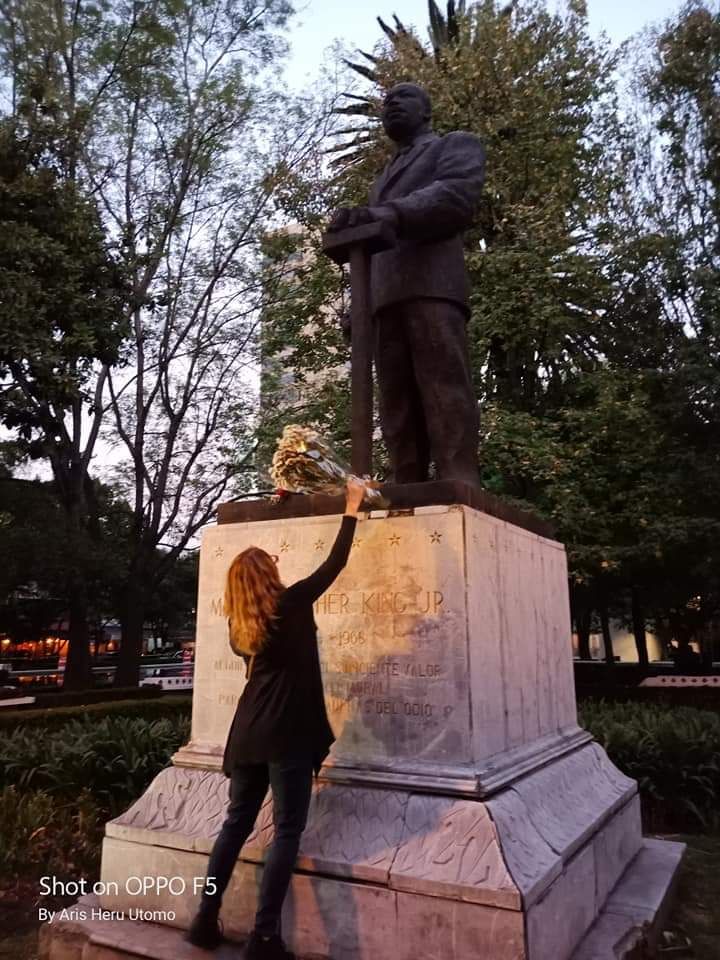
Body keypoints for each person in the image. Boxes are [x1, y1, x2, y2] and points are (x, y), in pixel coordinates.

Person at [186, 477, 366, 959]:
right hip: (285, 736)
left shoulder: (239, 626)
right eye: (273, 563)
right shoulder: (290, 604)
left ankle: (204, 919)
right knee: (286, 830)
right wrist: (350, 508)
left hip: (246, 736)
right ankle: (264, 935)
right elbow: (335, 564)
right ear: (267, 576)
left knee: (235, 825)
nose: (280, 563)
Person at [328, 82, 485, 488]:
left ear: (426, 110)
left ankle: (457, 479)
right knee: (395, 401)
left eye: (403, 98)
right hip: (383, 299)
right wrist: (356, 308)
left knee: (442, 385)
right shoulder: (379, 181)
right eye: (386, 103)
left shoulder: (455, 145)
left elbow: (454, 195)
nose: (391, 105)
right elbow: (372, 246)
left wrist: (389, 213)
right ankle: (405, 481)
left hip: (432, 286)